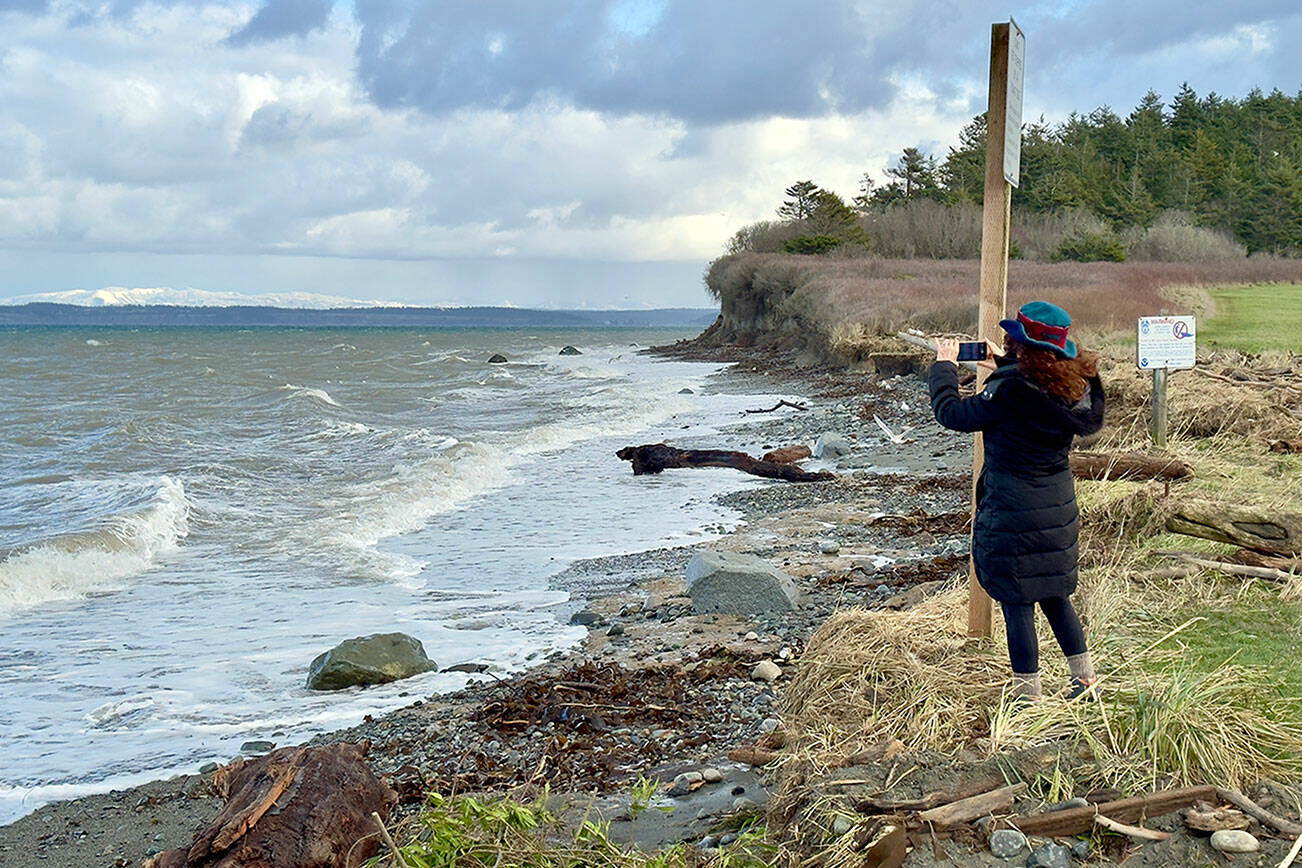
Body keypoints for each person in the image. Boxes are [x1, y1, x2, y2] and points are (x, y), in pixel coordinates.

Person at [928, 301, 1106, 702]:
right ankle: (1086, 682)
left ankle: (1029, 699)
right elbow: (1027, 395)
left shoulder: (1009, 391)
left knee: (1017, 603)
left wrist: (943, 365)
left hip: (1014, 510)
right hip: (1056, 508)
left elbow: (953, 413)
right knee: (1056, 596)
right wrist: (1003, 365)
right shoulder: (1069, 386)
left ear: (1020, 345)